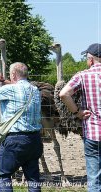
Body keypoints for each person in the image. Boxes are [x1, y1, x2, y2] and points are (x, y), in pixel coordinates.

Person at [0, 62, 43, 192]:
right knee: (33, 178)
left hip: (15, 140)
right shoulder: (35, 90)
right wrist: (4, 80)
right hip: (34, 140)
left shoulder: (11, 90)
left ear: (13, 74)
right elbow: (18, 88)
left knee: (3, 175)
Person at [59, 43, 101, 192]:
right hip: (93, 133)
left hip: (93, 133)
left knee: (94, 178)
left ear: (90, 60)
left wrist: (77, 112)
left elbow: (63, 94)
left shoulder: (82, 75)